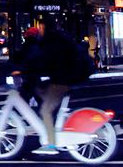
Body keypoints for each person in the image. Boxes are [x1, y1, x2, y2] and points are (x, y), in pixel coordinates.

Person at [26, 24, 90, 154]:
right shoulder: (61, 40)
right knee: (39, 89)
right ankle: (54, 125)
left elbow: (44, 62)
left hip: (62, 81)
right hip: (68, 78)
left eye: (42, 28)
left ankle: (50, 144)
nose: (40, 31)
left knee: (45, 111)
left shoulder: (51, 44)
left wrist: (26, 70)